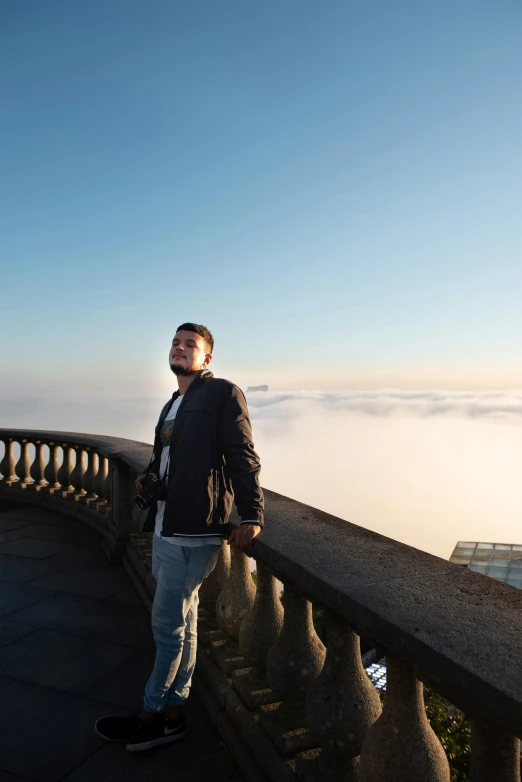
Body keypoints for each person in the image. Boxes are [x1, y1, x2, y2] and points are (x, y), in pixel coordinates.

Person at [95, 322, 263, 751]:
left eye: (191, 345)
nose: (180, 348)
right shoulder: (174, 402)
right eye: (175, 342)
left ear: (206, 359)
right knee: (183, 626)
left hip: (195, 531)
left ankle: (149, 716)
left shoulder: (223, 393)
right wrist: (150, 477)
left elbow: (242, 453)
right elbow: (167, 456)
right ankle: (173, 715)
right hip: (167, 523)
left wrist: (251, 514)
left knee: (166, 628)